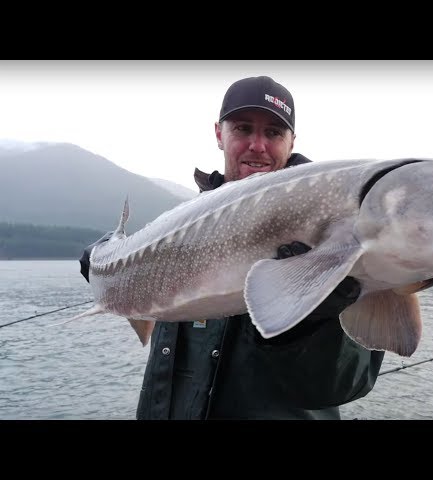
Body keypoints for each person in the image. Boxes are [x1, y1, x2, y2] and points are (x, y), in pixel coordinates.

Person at [79, 75, 385, 419]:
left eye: (273, 132)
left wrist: (310, 318)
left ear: (291, 141)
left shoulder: (340, 227)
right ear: (218, 134)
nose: (258, 145)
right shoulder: (179, 226)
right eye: (243, 128)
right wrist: (101, 269)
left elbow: (343, 384)